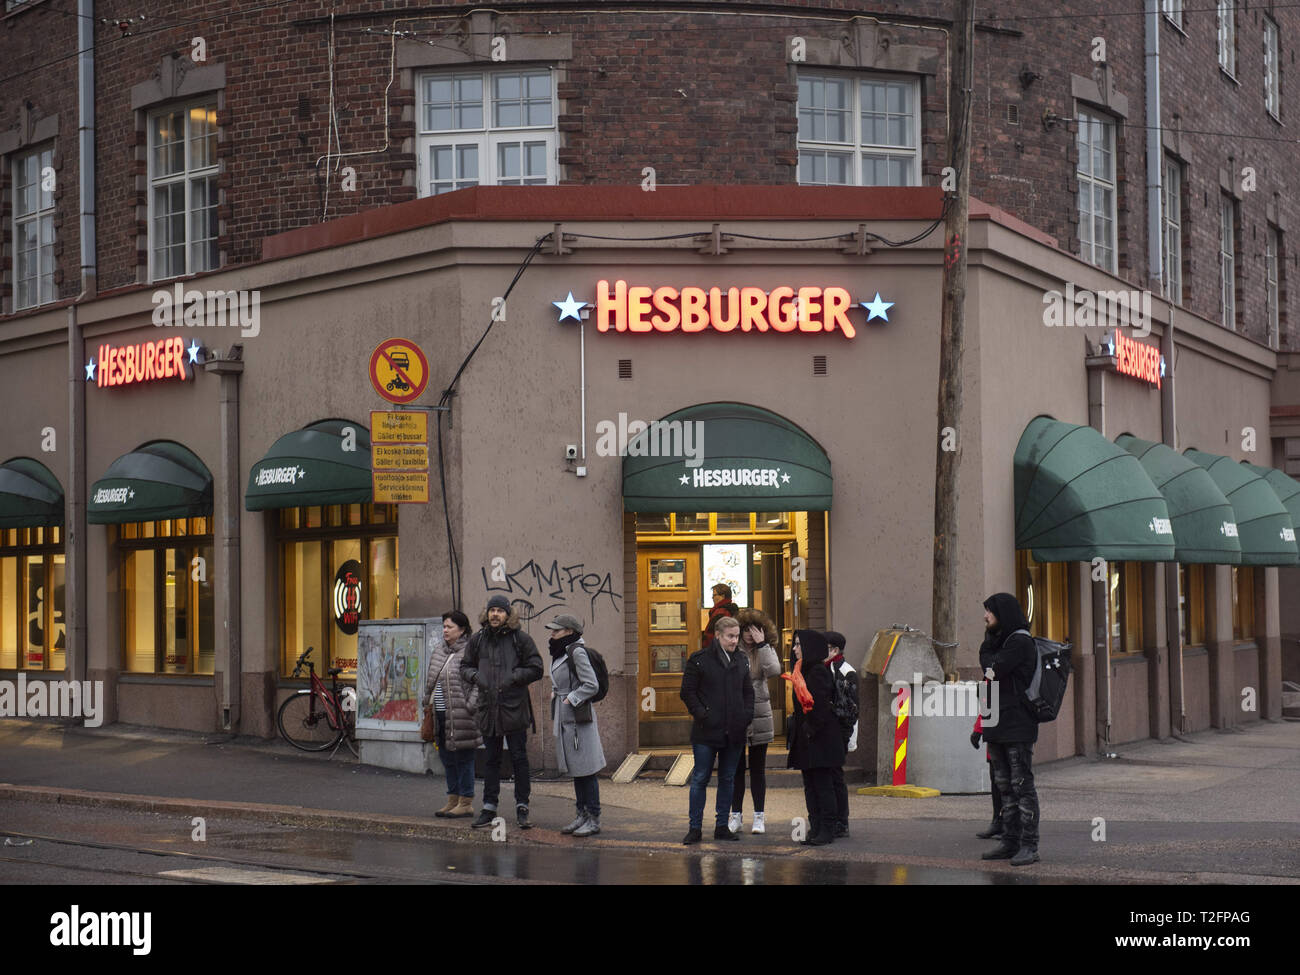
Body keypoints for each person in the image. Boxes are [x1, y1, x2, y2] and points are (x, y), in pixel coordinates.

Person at [461, 594, 544, 830]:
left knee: (519, 758)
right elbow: (465, 667)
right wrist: (477, 676)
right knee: (491, 760)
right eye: (492, 610)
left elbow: (536, 667)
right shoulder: (478, 640)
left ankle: (522, 806)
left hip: (513, 708)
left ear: (508, 614)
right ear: (487, 614)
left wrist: (513, 678)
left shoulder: (520, 639)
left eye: (500, 610)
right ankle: (489, 806)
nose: (495, 614)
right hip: (488, 708)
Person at [978, 592, 1041, 866]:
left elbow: (993, 670)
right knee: (1004, 787)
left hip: (1017, 724)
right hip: (997, 722)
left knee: (1021, 785)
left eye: (989, 612)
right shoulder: (1002, 641)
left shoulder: (1018, 642)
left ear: (1002, 614)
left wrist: (988, 656)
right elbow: (990, 672)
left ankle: (1029, 845)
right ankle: (1009, 841)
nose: (985, 616)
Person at [680, 615, 754, 844]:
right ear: (719, 635)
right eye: (730, 636)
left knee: (728, 778)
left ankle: (722, 825)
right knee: (701, 778)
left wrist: (745, 716)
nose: (734, 641)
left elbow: (748, 692)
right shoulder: (699, 660)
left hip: (734, 730)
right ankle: (695, 828)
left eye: (737, 636)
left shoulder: (741, 660)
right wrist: (703, 714)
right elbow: (688, 692)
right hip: (706, 731)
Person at [546, 613, 606, 838]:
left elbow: (591, 684)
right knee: (577, 771)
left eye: (556, 630)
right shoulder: (561, 652)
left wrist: (572, 697)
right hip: (567, 718)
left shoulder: (576, 652)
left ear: (569, 632)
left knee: (586, 771)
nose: (552, 633)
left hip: (579, 718)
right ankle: (582, 814)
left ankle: (593, 818)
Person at [784, 629, 845, 846]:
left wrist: (809, 729)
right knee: (810, 784)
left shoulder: (818, 671)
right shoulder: (801, 670)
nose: (794, 648)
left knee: (822, 783)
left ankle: (826, 829)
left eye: (799, 644)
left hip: (820, 738)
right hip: (807, 737)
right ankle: (816, 826)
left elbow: (819, 707)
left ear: (810, 647)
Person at [728, 608, 781, 835]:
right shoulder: (734, 649)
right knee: (737, 769)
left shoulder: (764, 650)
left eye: (755, 629)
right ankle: (736, 815)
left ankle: (759, 816)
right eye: (746, 629)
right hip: (737, 714)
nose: (750, 634)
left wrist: (762, 645)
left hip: (759, 713)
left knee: (758, 769)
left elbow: (774, 670)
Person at [424, 610, 481, 818]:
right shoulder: (440, 650)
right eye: (444, 626)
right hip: (440, 712)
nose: (445, 630)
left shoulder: (471, 651)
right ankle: (453, 799)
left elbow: (479, 681)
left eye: (450, 627)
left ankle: (466, 801)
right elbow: (432, 680)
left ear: (462, 629)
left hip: (462, 713)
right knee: (447, 757)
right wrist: (426, 703)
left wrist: (470, 705)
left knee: (464, 757)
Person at [824, 631, 858, 838]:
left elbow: (853, 709)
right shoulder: (825, 667)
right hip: (829, 733)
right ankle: (832, 818)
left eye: (825, 647)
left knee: (836, 777)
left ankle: (841, 821)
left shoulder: (847, 672)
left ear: (834, 650)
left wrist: (847, 738)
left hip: (840, 733)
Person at [971, 712, 1002, 838]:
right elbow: (988, 704)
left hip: (1015, 736)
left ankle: (1011, 826)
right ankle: (998, 822)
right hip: (996, 737)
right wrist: (978, 730)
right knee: (996, 784)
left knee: (1013, 785)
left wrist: (978, 730)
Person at [701, 583, 740, 649]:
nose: (712, 598)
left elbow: (711, 634)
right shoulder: (731, 610)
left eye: (714, 595)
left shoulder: (720, 612)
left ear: (722, 596)